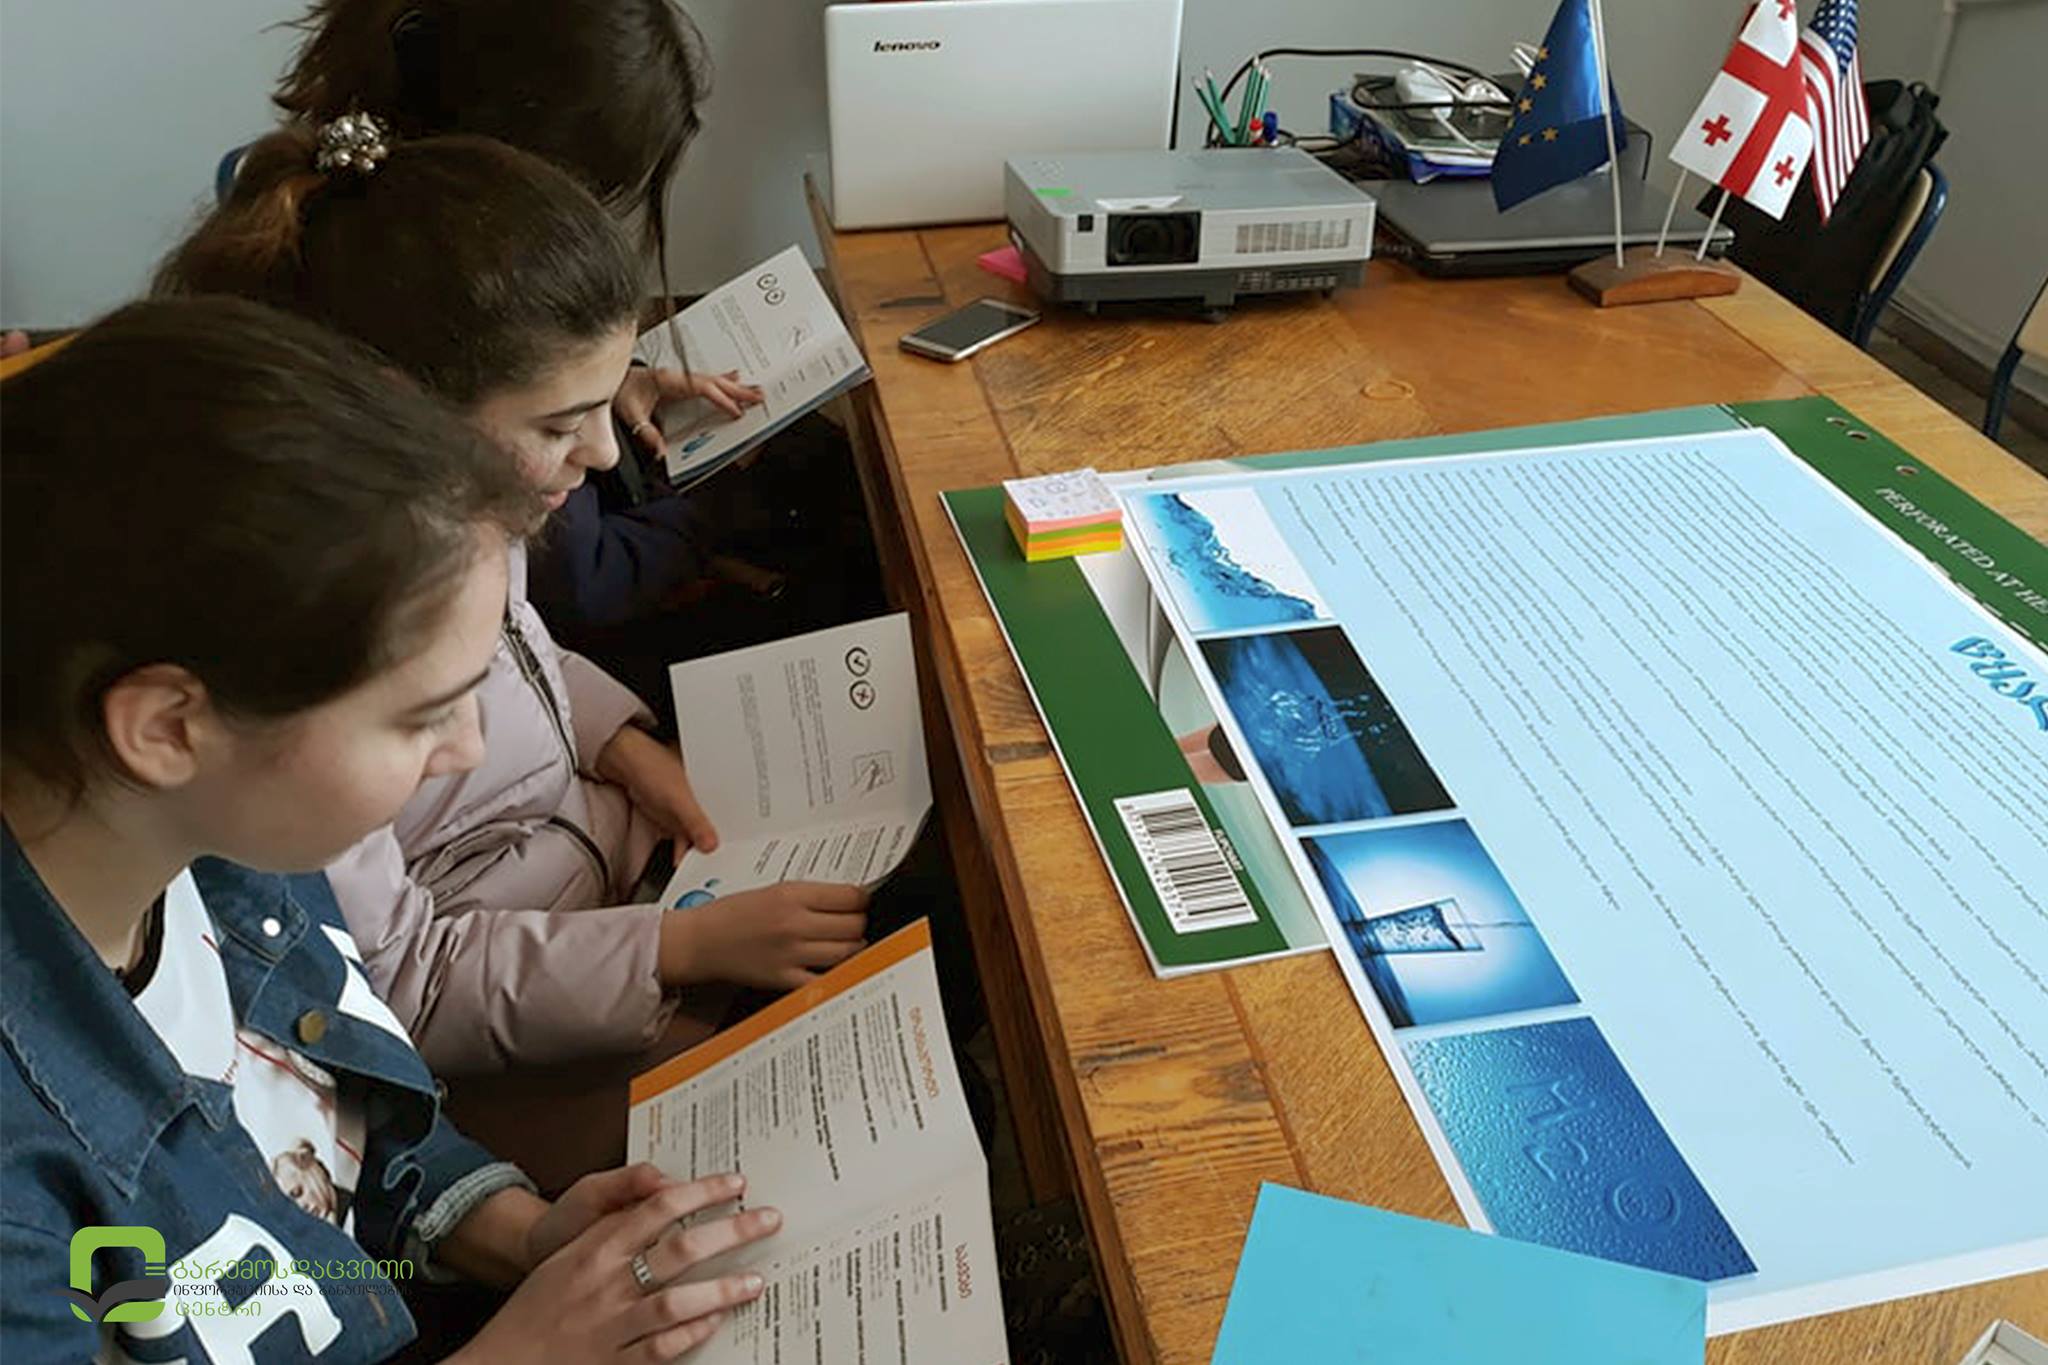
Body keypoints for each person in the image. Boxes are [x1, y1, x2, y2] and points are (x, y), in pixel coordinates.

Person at [0, 296, 778, 1363]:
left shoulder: (223, 848)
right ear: (169, 728)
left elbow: (343, 1140)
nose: (465, 748)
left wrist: (518, 1233)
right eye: (420, 717)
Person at [155, 121, 871, 1079]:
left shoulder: (469, 506)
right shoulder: (312, 651)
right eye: (561, 424)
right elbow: (400, 984)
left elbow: (524, 647)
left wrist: (620, 746)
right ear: (403, 403)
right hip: (530, 995)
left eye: (607, 403)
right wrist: (673, 953)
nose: (605, 454)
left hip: (604, 878)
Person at [270, 0, 888, 712]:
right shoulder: (428, 334)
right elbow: (575, 589)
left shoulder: (370, 221)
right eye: (597, 197)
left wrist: (617, 387)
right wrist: (709, 506)